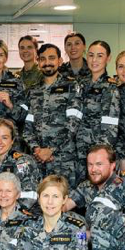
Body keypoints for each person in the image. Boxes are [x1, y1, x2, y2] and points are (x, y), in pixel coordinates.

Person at [23, 43, 82, 185]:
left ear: (60, 61)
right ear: (38, 62)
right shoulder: (33, 90)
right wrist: (36, 149)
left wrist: (51, 150)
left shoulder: (72, 86)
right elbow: (27, 127)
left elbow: (73, 124)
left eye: (51, 58)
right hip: (38, 162)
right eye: (42, 59)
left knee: (64, 203)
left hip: (63, 161)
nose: (47, 63)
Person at [76, 40, 121, 180]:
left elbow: (110, 128)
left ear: (108, 58)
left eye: (100, 56)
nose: (94, 60)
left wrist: (98, 157)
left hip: (98, 157)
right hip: (76, 154)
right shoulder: (79, 84)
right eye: (91, 55)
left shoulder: (111, 87)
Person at [0, 118, 41, 219]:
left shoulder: (24, 162)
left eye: (4, 138)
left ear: (12, 141)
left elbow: (30, 197)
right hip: (3, 213)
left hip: (27, 218)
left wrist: (7, 215)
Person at [64, 144, 122, 218]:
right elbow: (65, 206)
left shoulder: (122, 188)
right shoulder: (86, 186)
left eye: (99, 164)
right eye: (90, 164)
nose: (93, 169)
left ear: (112, 166)